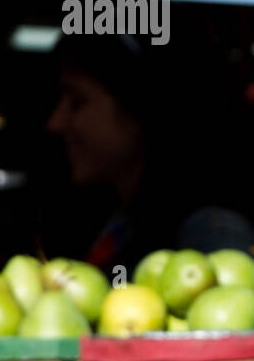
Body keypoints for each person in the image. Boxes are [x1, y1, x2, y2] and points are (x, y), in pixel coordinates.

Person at [45, 33, 254, 277]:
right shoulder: (118, 219)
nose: (55, 123)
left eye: (78, 102)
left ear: (139, 109)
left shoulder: (209, 232)